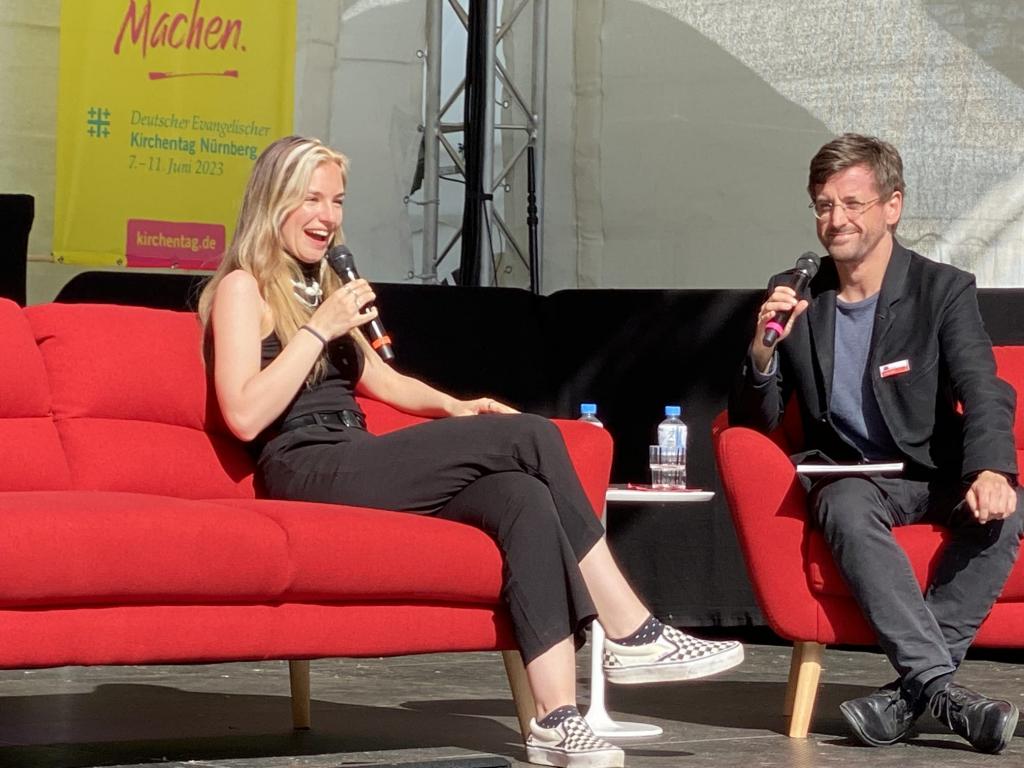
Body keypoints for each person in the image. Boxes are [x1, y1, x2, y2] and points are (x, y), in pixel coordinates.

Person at [198, 135, 744, 768]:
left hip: (354, 451)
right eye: (312, 199)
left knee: (522, 498)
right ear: (275, 202)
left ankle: (555, 717)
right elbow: (242, 413)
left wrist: (457, 407)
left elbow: (385, 381)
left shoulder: (318, 284)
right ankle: (628, 627)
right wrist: (320, 329)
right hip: (305, 465)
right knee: (532, 435)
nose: (329, 217)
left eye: (338, 201)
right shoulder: (246, 287)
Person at [730, 133, 1023, 754]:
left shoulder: (941, 290)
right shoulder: (798, 293)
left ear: (892, 206)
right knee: (841, 502)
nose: (835, 220)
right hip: (856, 480)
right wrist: (762, 352)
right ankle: (944, 692)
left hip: (932, 473)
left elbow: (984, 386)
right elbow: (758, 422)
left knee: (1007, 509)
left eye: (852, 203)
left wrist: (993, 468)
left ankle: (914, 694)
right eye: (822, 205)